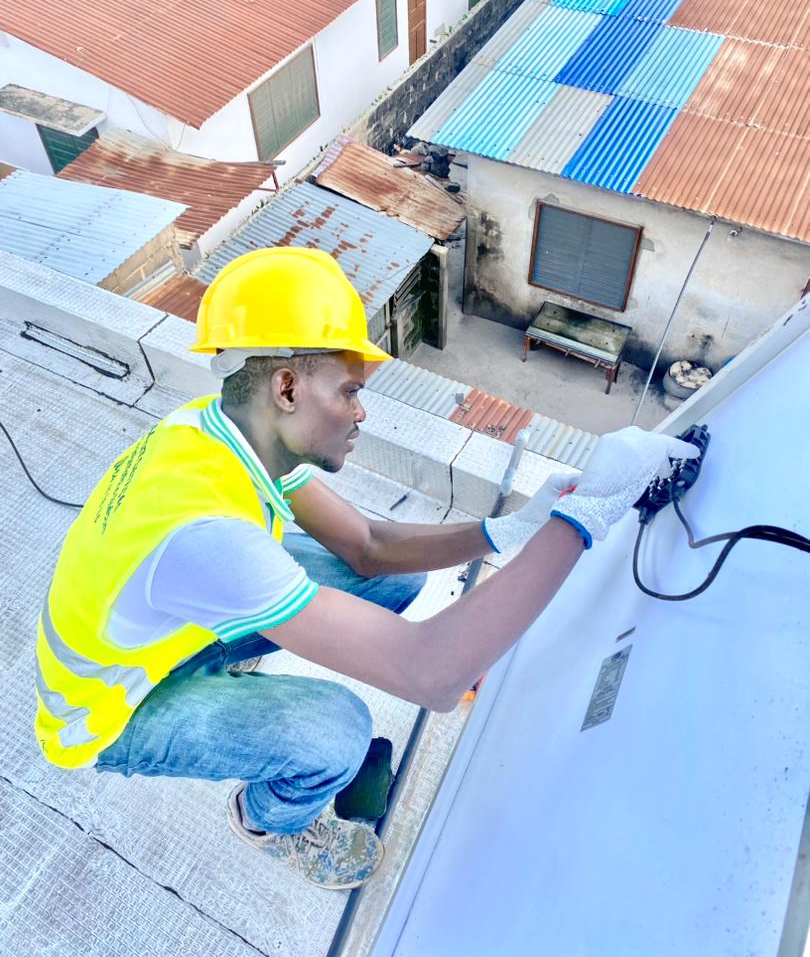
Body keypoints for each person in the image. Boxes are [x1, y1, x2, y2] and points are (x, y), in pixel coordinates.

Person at [35, 248, 697, 890]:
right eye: (350, 390)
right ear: (287, 387)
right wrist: (584, 518)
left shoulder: (217, 431)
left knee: (394, 580)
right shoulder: (207, 535)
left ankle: (235, 658)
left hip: (164, 627)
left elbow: (369, 547)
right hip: (108, 707)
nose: (361, 412)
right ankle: (268, 822)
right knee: (337, 732)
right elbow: (431, 675)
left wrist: (509, 530)